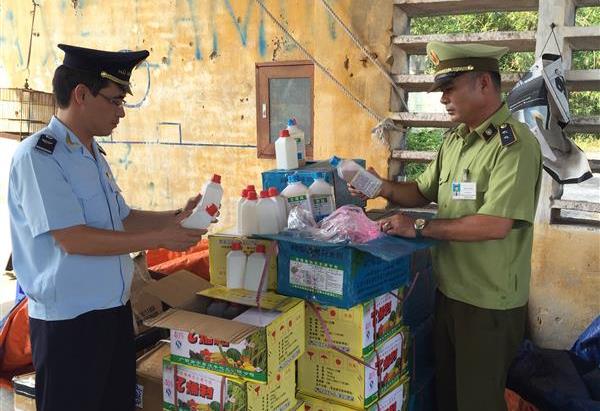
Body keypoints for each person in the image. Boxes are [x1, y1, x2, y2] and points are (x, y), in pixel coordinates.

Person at [8, 44, 208, 411]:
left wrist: (177, 217)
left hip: (113, 314)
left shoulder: (92, 154)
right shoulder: (40, 157)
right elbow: (72, 238)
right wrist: (160, 238)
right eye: (115, 101)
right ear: (81, 94)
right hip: (69, 325)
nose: (121, 113)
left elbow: (123, 217)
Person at [350, 41, 542, 411]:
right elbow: (421, 192)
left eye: (450, 88)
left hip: (488, 303)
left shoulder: (514, 147)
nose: (443, 100)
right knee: (449, 395)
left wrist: (419, 230)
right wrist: (380, 187)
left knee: (479, 402)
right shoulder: (454, 142)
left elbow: (494, 224)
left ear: (484, 84)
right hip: (450, 292)